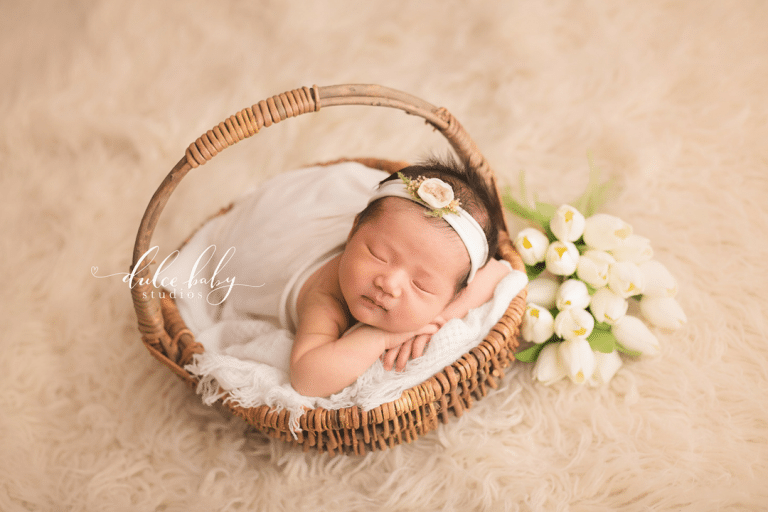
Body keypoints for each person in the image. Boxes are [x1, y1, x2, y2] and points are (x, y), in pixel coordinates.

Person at [289, 157, 511, 397]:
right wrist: (381, 337)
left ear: (454, 296)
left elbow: (500, 272)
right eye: (378, 256)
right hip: (293, 231)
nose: (389, 284)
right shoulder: (327, 294)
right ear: (353, 231)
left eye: (420, 285)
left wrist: (439, 317)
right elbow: (306, 379)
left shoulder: (449, 276)